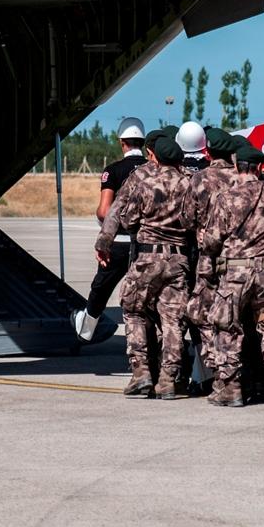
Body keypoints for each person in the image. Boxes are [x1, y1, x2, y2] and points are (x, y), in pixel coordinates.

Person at [95, 136, 192, 399]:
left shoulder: (144, 181)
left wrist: (105, 241)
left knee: (134, 310)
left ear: (155, 157)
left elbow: (125, 216)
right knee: (173, 320)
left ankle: (141, 373)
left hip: (148, 257)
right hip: (178, 260)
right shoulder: (190, 184)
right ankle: (169, 379)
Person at [201, 145, 264, 407]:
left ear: (236, 167)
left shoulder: (225, 197)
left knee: (227, 328)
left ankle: (231, 388)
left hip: (235, 273)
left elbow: (212, 241)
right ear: (258, 168)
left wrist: (204, 241)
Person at [71, 117, 148, 343]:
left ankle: (86, 330)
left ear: (122, 142)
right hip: (146, 243)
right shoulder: (154, 170)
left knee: (101, 289)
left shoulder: (112, 171)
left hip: (119, 242)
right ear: (142, 142)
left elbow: (104, 211)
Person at [182, 127, 241, 393]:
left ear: (208, 151)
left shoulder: (200, 179)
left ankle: (213, 370)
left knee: (200, 313)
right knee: (235, 316)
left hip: (207, 256)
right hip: (240, 257)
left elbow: (187, 219)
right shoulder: (243, 177)